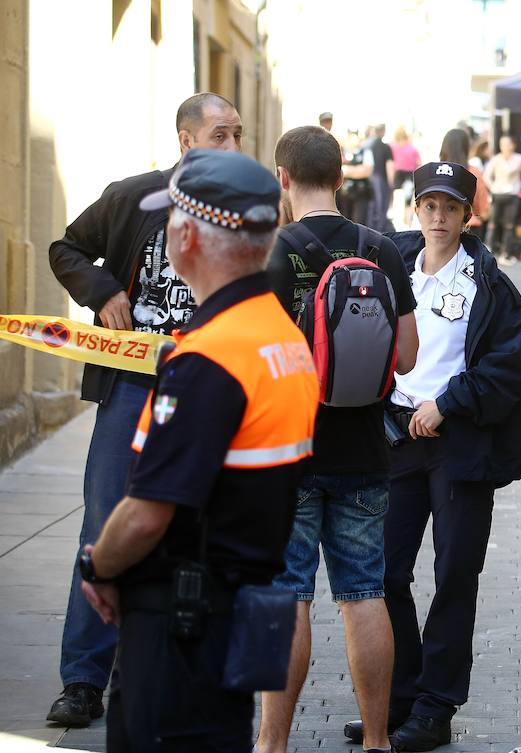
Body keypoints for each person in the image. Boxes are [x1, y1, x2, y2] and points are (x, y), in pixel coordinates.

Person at [78, 148, 318, 751]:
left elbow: (147, 512)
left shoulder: (211, 358)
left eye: (172, 220)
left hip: (181, 625)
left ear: (187, 238)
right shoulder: (283, 341)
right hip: (240, 606)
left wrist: (99, 567)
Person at [45, 91, 242, 728]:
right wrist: (103, 292)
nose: (233, 146)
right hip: (130, 388)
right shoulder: (134, 198)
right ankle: (83, 679)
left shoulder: (241, 213)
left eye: (238, 135)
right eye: (220, 134)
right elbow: (66, 249)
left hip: (204, 395)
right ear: (187, 141)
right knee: (105, 527)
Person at [341, 162, 521, 751]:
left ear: (468, 214)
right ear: (416, 209)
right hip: (397, 441)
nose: (439, 217)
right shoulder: (390, 267)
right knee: (384, 573)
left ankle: (435, 707)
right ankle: (400, 697)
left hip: (460, 447)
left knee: (453, 574)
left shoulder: (490, 285)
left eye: (451, 207)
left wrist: (447, 404)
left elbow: (507, 369)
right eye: (430, 206)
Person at [256, 126, 421, 753]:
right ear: (340, 177)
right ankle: (378, 741)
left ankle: (272, 743)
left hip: (290, 452)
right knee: (364, 594)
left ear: (283, 178)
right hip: (366, 451)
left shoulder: (270, 252)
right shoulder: (382, 250)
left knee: (288, 597)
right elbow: (406, 357)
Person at [439, 129, 490, 238]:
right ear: (466, 148)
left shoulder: (435, 173)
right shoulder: (473, 172)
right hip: (469, 229)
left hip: (440, 229)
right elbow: (484, 210)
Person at [483, 135, 521, 264]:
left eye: (507, 144)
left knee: (509, 225)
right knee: (493, 223)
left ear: (513, 145)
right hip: (498, 193)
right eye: (502, 144)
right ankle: (487, 252)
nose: (505, 147)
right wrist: (493, 187)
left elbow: (511, 171)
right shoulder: (495, 159)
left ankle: (505, 254)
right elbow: (486, 176)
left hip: (512, 194)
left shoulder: (519, 158)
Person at [339, 130, 375, 225]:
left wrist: (348, 171)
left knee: (359, 221)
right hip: (344, 194)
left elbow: (366, 171)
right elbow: (340, 170)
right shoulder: (342, 152)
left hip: (361, 192)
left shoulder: (365, 152)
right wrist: (356, 170)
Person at [366, 124, 396, 232]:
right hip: (382, 179)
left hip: (370, 179)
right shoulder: (385, 147)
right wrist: (391, 183)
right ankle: (380, 233)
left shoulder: (368, 145)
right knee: (382, 208)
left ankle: (371, 231)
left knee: (372, 208)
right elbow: (389, 165)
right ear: (383, 131)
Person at [392, 126, 421, 227]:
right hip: (410, 174)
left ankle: (398, 220)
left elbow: (391, 163)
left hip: (398, 174)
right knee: (409, 200)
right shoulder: (412, 148)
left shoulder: (393, 147)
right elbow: (419, 163)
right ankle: (408, 222)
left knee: (397, 197)